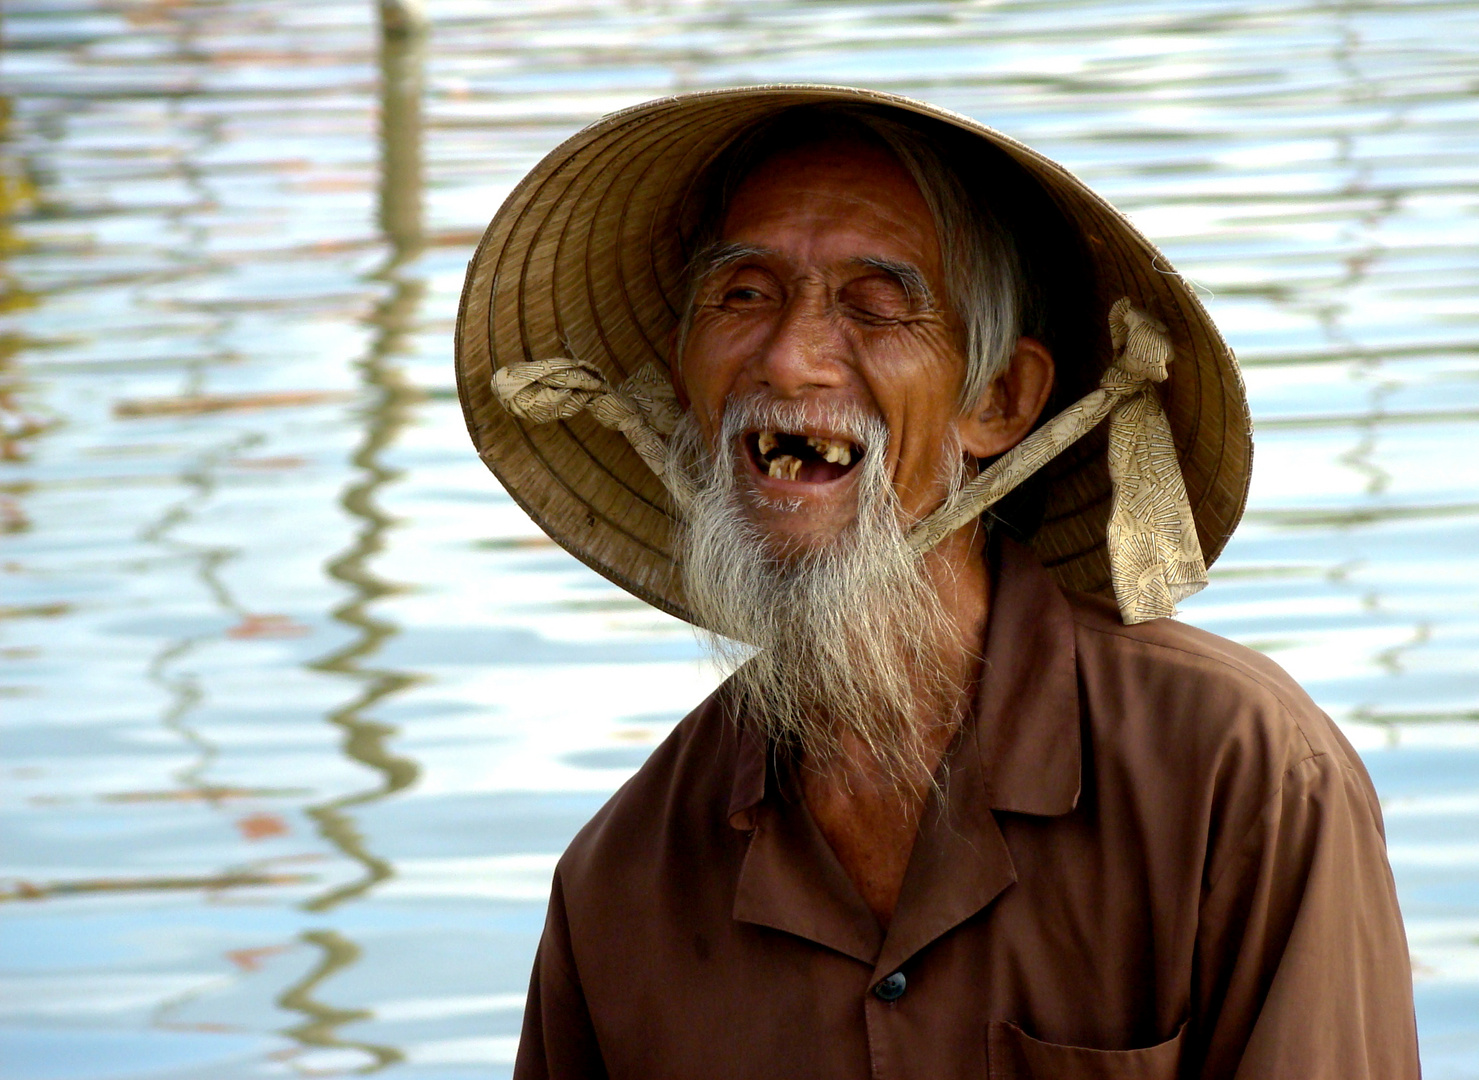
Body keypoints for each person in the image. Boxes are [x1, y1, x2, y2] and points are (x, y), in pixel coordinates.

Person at [455, 87, 1420, 1079]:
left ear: (999, 401)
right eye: (743, 296)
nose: (787, 359)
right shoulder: (624, 883)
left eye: (875, 308)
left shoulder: (1239, 776)